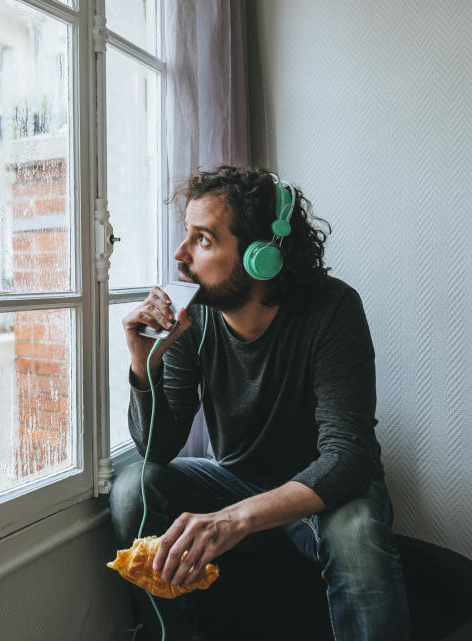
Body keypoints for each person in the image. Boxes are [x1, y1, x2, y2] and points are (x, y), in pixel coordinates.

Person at [109, 166, 408, 640]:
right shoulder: (195, 318)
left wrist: (234, 520)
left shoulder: (333, 310)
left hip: (317, 492)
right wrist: (144, 364)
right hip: (234, 478)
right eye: (186, 235)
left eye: (203, 240)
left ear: (260, 258)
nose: (179, 255)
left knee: (355, 533)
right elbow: (158, 449)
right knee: (133, 487)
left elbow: (348, 458)